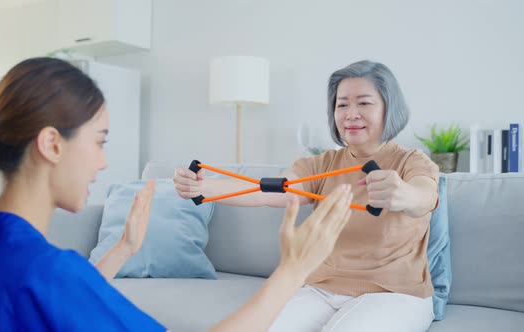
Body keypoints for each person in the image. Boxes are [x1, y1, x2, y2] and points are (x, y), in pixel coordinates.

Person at [0, 57, 353, 332]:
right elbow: (58, 291)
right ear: (51, 144)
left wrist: (122, 249)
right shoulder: (45, 271)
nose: (102, 163)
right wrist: (291, 272)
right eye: (99, 141)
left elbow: (62, 308)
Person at [174, 60, 439, 332]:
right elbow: (267, 192)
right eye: (342, 104)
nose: (351, 113)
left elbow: (424, 197)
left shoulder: (412, 161)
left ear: (388, 107)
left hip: (395, 294)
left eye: (364, 103)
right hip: (321, 289)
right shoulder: (321, 164)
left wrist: (403, 194)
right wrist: (203, 188)